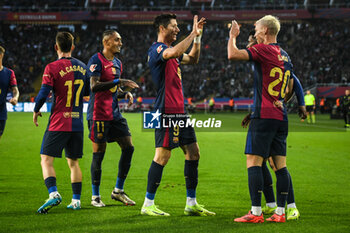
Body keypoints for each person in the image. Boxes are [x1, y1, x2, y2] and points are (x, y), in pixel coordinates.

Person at [141, 14, 215, 217]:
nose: (177, 29)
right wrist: (192, 33)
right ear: (162, 28)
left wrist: (197, 37)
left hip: (179, 110)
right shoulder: (157, 50)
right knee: (162, 155)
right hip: (167, 110)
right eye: (174, 26)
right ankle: (148, 203)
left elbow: (193, 58)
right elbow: (173, 51)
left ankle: (191, 203)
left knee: (193, 153)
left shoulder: (171, 52)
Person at [228, 15, 296, 223]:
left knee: (253, 162)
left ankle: (256, 212)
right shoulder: (285, 55)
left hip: (264, 117)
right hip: (280, 116)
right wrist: (279, 101)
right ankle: (281, 213)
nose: (255, 31)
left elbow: (233, 55)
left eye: (257, 28)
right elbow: (291, 86)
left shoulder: (263, 49)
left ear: (265, 30)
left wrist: (232, 36)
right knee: (280, 166)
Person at [241, 32, 306, 221]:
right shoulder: (268, 58)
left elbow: (295, 80)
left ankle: (290, 206)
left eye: (251, 41)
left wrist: (300, 102)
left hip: (270, 115)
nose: (249, 45)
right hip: (268, 113)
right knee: (266, 162)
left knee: (272, 163)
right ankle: (273, 206)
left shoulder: (266, 53)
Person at [33, 32, 89, 213]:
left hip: (58, 122)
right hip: (77, 123)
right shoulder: (83, 67)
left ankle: (53, 193)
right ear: (72, 46)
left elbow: (43, 93)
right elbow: (87, 93)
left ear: (56, 47)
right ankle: (76, 201)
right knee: (73, 163)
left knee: (46, 160)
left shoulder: (52, 67)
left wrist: (36, 110)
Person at [87, 30, 139, 207]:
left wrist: (124, 94)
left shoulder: (117, 63)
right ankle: (95, 197)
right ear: (106, 42)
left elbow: (113, 90)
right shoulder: (96, 60)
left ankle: (118, 191)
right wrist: (120, 82)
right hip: (98, 115)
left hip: (115, 114)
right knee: (99, 154)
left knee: (129, 148)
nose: (120, 43)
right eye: (117, 40)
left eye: (120, 40)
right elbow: (94, 87)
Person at [0, 46, 19, 140]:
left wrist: (15, 98)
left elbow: (15, 90)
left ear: (1, 56)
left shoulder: (9, 73)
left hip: (1, 113)